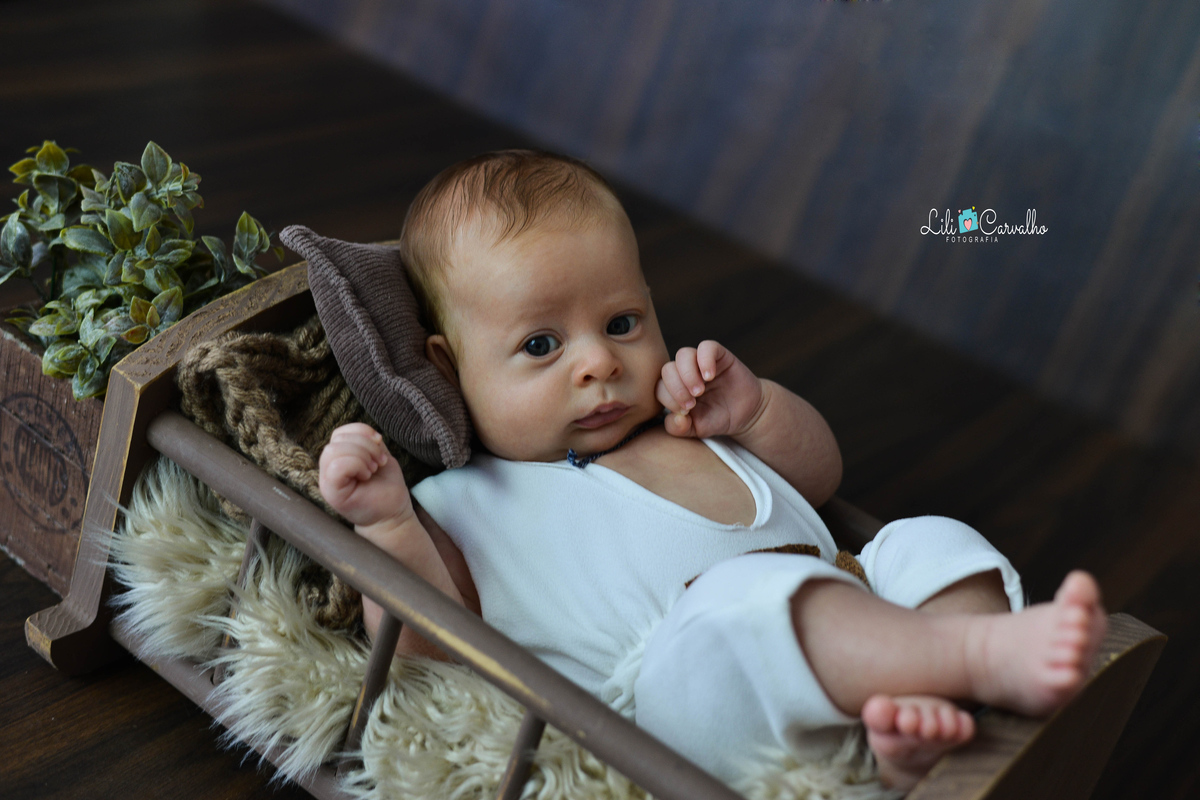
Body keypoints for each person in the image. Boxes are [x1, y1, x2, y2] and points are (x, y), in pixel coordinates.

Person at [317, 150, 1106, 790]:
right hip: (674, 703)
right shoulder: (465, 502)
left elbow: (819, 482)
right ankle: (977, 662)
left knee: (923, 537)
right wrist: (387, 525)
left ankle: (918, 699)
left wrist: (756, 412)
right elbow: (426, 660)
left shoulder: (685, 419)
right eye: (540, 345)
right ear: (450, 370)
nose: (599, 362)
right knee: (738, 603)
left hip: (846, 602)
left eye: (622, 323)